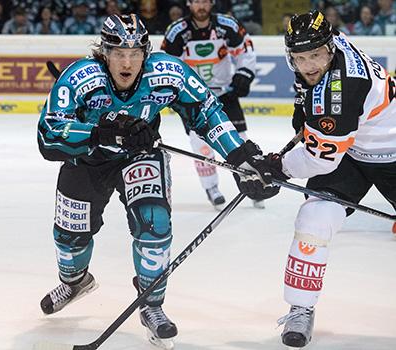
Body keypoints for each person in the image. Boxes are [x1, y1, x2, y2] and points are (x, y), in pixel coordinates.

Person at [37, 13, 278, 348]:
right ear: (103, 52)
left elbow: (206, 110)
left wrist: (240, 157)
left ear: (146, 53)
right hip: (87, 161)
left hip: (141, 155)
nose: (127, 61)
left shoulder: (166, 71)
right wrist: (103, 130)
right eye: (119, 53)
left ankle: (152, 305)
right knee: (69, 238)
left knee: (155, 224)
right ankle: (75, 281)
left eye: (135, 53)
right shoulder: (79, 77)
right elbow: (48, 135)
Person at [265, 11, 396, 348]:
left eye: (315, 56)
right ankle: (300, 308)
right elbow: (307, 91)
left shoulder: (344, 88)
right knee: (315, 217)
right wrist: (302, 112)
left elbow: (317, 159)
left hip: (391, 152)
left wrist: (275, 170)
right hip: (354, 151)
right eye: (300, 57)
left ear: (330, 47)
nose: (308, 65)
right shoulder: (324, 53)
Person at [161, 0, 261, 209]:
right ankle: (211, 187)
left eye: (205, 1)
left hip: (225, 94)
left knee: (239, 139)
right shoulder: (176, 32)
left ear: (212, 3)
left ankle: (251, 182)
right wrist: (175, 92)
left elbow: (245, 52)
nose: (201, 6)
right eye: (197, 1)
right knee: (202, 146)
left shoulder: (228, 25)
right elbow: (168, 64)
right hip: (193, 97)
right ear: (189, 4)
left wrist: (243, 75)